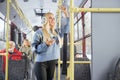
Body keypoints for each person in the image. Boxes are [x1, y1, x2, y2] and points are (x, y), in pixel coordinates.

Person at [32, 5, 69, 80]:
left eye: (53, 18)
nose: (53, 20)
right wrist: (45, 44)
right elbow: (34, 48)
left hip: (52, 61)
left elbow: (66, 28)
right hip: (41, 63)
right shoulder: (39, 32)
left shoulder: (56, 32)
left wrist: (66, 13)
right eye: (50, 18)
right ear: (44, 20)